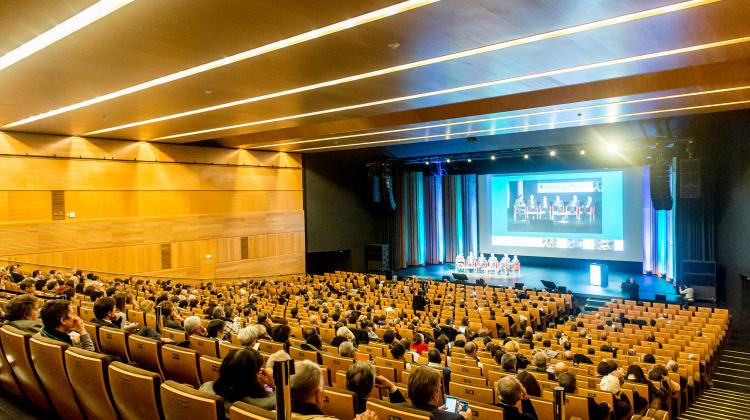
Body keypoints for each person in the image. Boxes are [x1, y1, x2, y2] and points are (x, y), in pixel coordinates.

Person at [199, 348, 275, 416]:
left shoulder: (205, 387)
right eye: (258, 370)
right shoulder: (268, 403)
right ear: (252, 377)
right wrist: (273, 384)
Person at [406, 366, 471, 420]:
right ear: (434, 394)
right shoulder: (456, 418)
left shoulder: (401, 409)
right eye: (439, 387)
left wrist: (436, 410)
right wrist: (466, 418)